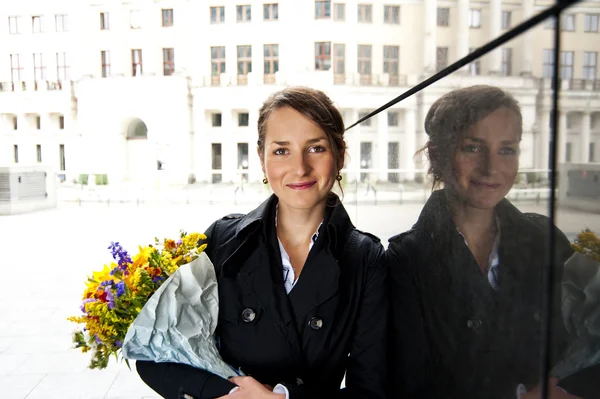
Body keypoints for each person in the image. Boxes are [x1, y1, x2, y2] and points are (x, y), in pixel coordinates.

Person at [136, 86, 389, 399]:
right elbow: (154, 351)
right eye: (281, 151)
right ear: (261, 159)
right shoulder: (222, 241)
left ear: (340, 155)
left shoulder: (367, 260)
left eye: (316, 148)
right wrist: (225, 395)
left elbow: (372, 391)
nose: (300, 168)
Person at [387, 85, 578, 398]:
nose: (491, 168)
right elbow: (408, 383)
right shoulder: (407, 259)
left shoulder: (546, 241)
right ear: (438, 155)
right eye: (472, 148)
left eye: (507, 149)